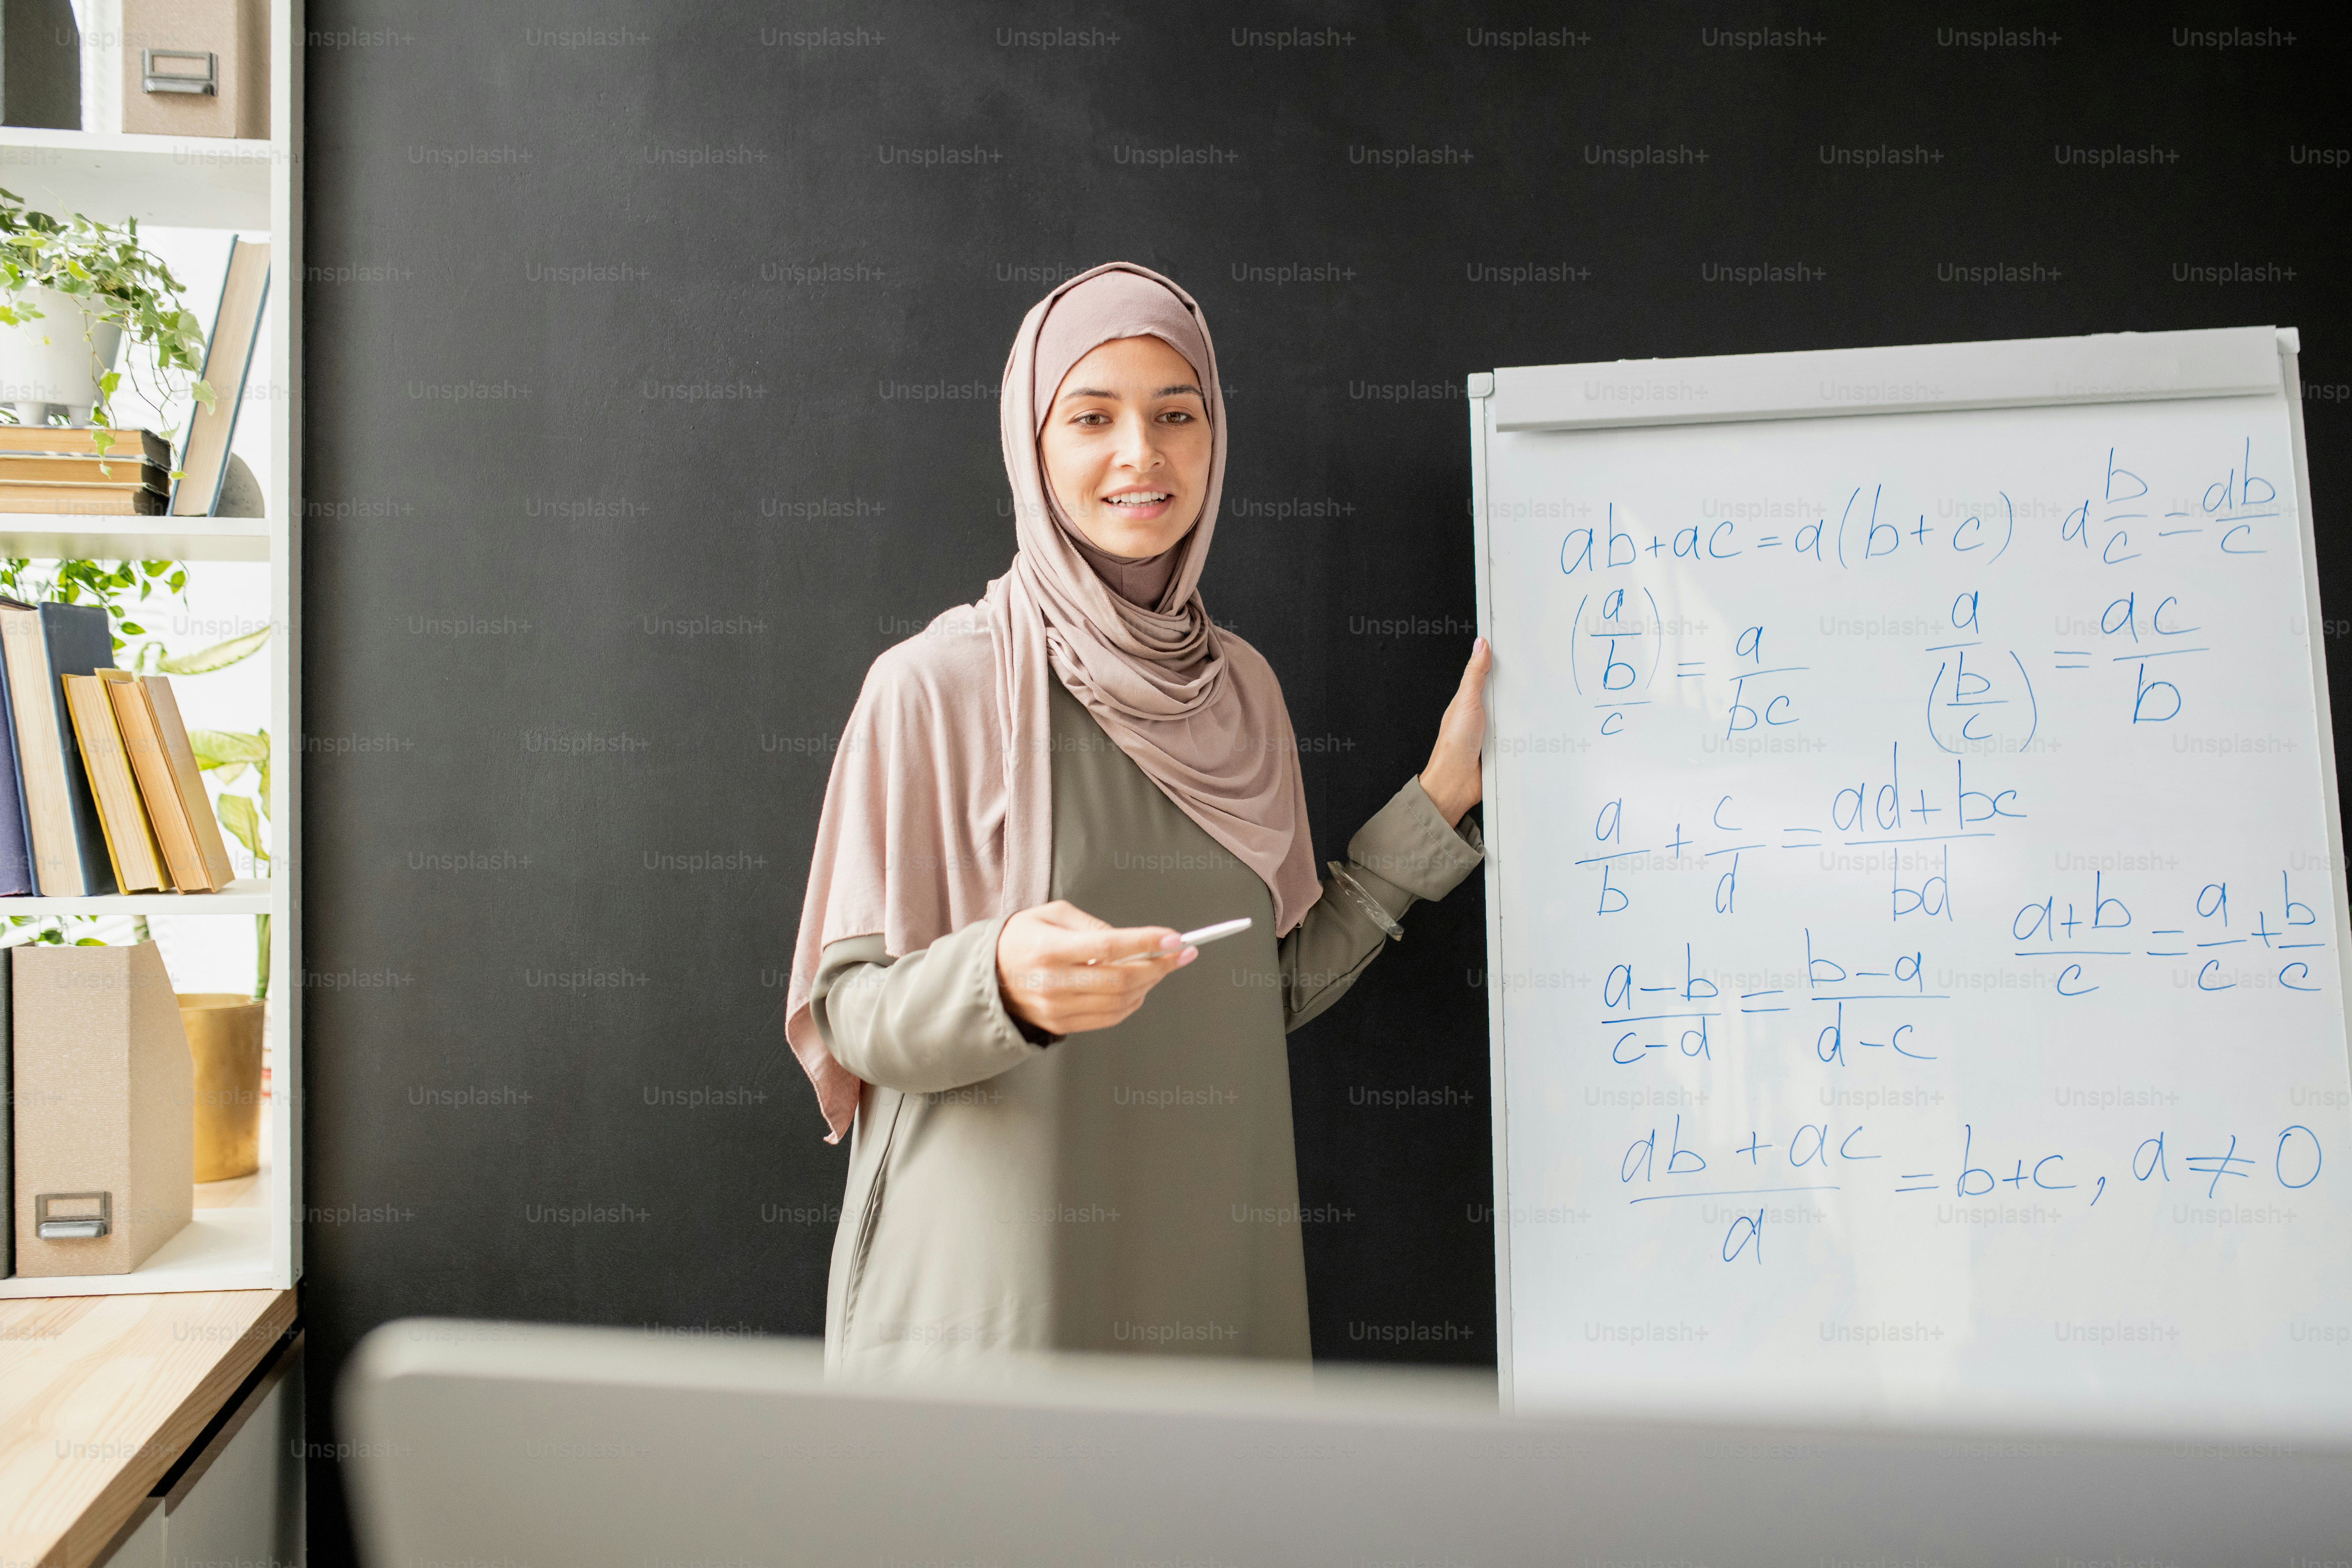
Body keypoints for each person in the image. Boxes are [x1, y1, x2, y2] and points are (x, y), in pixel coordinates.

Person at [786, 262, 1492, 1373]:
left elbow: (1266, 985)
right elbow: (850, 1015)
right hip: (995, 1304)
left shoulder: (1240, 691)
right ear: (1033, 441)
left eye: (1177, 414)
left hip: (1208, 1286)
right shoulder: (936, 683)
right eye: (1092, 416)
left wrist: (1444, 796)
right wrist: (1001, 980)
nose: (1142, 454)